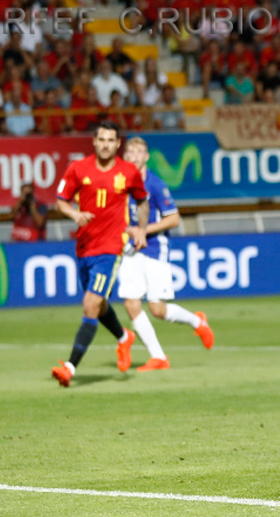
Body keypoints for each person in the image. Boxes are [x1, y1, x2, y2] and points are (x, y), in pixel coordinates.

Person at [51, 121, 150, 387]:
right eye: (101, 140)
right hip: (85, 247)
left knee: (90, 304)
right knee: (99, 303)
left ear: (118, 144)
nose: (106, 145)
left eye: (110, 140)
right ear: (94, 142)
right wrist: (75, 214)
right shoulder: (77, 168)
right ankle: (124, 337)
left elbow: (142, 201)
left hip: (111, 248)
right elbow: (60, 201)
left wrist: (141, 229)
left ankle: (69, 368)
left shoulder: (128, 172)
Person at [117, 137, 214, 372]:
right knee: (131, 303)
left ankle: (197, 321)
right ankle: (158, 357)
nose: (134, 156)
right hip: (131, 249)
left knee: (157, 309)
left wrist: (144, 230)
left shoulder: (155, 184)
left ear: (146, 157)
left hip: (154, 248)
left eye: (139, 152)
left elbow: (174, 218)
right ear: (125, 156)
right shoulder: (121, 183)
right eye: (130, 151)